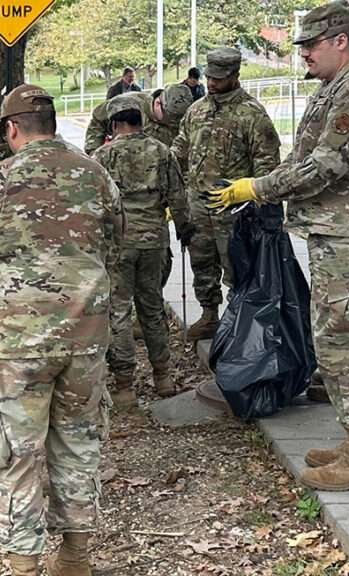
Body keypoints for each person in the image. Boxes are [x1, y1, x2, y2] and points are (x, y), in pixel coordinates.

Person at [208, 1, 349, 491]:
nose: (303, 54)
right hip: (344, 232)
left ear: (340, 40)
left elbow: (324, 166)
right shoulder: (340, 87)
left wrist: (257, 187)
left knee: (340, 341)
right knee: (344, 337)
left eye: (310, 45)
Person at [0, 84, 124, 576]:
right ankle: (75, 557)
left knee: (15, 454)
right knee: (78, 443)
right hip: (85, 337)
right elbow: (114, 245)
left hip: (18, 344)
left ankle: (23, 564)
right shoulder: (96, 174)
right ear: (51, 123)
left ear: (11, 128)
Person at [170, 47, 281, 341]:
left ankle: (238, 322)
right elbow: (180, 149)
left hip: (233, 208)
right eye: (209, 76)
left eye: (219, 78)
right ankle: (209, 315)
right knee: (201, 262)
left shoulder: (252, 113)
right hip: (198, 205)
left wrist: (255, 201)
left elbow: (267, 165)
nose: (212, 83)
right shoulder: (196, 110)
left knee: (237, 266)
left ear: (235, 75)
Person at [92, 94, 194, 407]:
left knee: (119, 311)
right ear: (141, 121)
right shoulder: (161, 151)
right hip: (153, 242)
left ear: (114, 124)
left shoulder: (102, 156)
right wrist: (184, 229)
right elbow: (178, 197)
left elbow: (93, 203)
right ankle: (162, 375)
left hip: (118, 244)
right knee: (152, 307)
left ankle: (125, 384)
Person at [85, 83, 194, 156]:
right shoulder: (129, 103)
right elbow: (97, 120)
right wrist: (94, 152)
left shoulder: (184, 119)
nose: (174, 123)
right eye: (171, 118)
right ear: (157, 103)